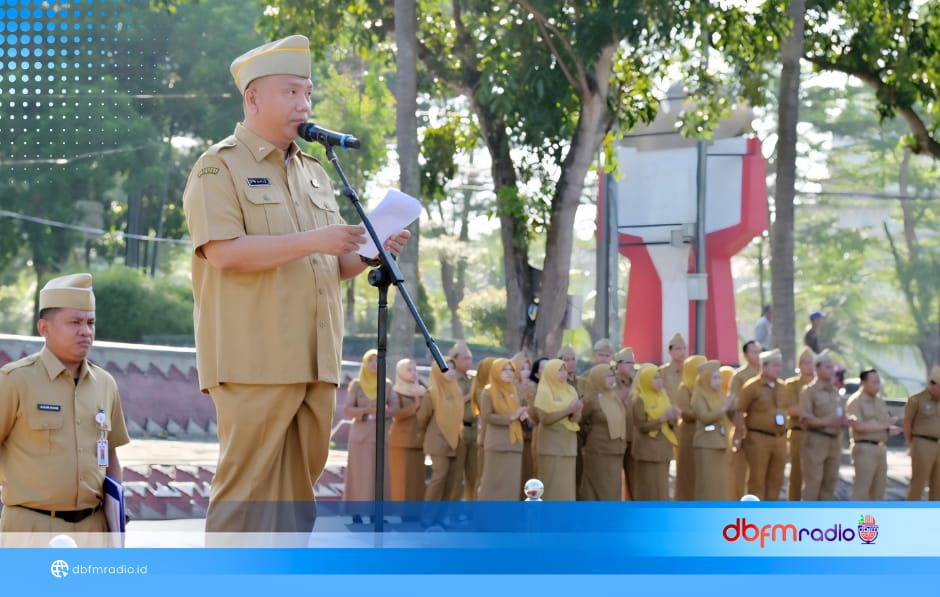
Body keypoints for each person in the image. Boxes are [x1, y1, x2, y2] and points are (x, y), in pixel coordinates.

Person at [181, 34, 410, 534]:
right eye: (291, 92)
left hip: (316, 362)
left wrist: (372, 249)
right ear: (253, 98)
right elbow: (223, 253)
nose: (304, 104)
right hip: (254, 361)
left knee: (296, 504)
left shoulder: (315, 172)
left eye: (307, 93)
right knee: (245, 497)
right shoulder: (218, 167)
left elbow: (329, 263)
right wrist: (316, 239)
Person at [0, 273, 130, 544]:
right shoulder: (14, 381)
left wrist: (116, 523)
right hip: (30, 531)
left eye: (90, 322)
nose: (86, 331)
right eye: (74, 322)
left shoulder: (105, 384)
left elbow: (111, 458)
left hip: (93, 531)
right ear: (44, 328)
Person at [343, 349, 392, 516]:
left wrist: (381, 411)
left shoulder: (386, 384)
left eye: (377, 361)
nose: (374, 364)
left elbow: (395, 408)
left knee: (379, 474)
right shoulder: (356, 385)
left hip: (380, 434)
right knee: (359, 474)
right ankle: (355, 513)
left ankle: (376, 513)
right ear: (365, 363)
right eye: (370, 361)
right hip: (360, 435)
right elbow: (348, 409)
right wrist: (365, 410)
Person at [733, 348, 787, 501]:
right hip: (758, 438)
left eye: (779, 366)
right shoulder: (752, 386)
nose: (778, 369)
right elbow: (739, 411)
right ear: (764, 366)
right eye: (775, 366)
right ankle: (754, 515)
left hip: (780, 438)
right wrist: (739, 435)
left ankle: (771, 515)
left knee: (776, 479)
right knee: (757, 479)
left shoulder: (783, 387)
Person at [798, 349, 848, 501]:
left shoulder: (835, 392)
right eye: (827, 367)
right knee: (813, 484)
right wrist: (830, 422)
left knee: (830, 484)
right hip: (816, 441)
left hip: (834, 441)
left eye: (832, 367)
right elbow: (805, 419)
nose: (831, 370)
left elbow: (840, 415)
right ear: (817, 368)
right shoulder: (809, 391)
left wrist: (846, 421)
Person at [477, 359, 529, 500]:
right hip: (497, 444)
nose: (508, 373)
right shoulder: (488, 391)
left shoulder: (514, 391)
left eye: (511, 370)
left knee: (511, 485)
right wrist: (511, 417)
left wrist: (522, 415)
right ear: (495, 371)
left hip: (515, 444)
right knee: (492, 483)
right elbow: (487, 416)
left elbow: (516, 414)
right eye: (504, 369)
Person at [846, 369, 900, 501]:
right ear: (863, 382)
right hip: (864, 448)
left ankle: (875, 520)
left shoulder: (879, 401)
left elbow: (883, 423)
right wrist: (884, 425)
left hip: (881, 448)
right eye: (874, 382)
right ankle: (856, 520)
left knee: (879, 492)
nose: (878, 385)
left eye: (878, 382)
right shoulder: (855, 401)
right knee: (861, 490)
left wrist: (889, 429)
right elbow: (857, 425)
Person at [533, 359, 583, 501]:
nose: (563, 373)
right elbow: (545, 419)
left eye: (565, 370)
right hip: (551, 447)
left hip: (568, 446)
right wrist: (568, 409)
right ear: (550, 372)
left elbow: (574, 420)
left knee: (566, 489)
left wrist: (577, 411)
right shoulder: (544, 391)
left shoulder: (571, 390)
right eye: (559, 370)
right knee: (551, 488)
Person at [578, 364, 628, 501]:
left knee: (613, 489)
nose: (611, 379)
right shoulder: (591, 400)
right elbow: (579, 421)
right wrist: (588, 433)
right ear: (598, 378)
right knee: (598, 489)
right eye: (607, 376)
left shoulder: (615, 397)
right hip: (598, 452)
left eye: (612, 375)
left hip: (616, 451)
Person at [417, 360, 464, 502]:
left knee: (451, 480)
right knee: (439, 478)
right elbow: (422, 418)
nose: (450, 371)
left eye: (453, 368)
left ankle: (441, 517)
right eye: (446, 368)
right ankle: (428, 518)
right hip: (438, 441)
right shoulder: (432, 393)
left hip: (455, 441)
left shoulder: (456, 391)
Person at [632, 364, 681, 501]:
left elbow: (670, 423)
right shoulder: (640, 399)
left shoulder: (664, 396)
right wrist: (662, 418)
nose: (659, 381)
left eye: (660, 377)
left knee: (662, 489)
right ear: (646, 380)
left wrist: (673, 417)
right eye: (655, 378)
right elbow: (641, 426)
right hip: (647, 450)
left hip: (663, 449)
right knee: (648, 488)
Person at [691, 360, 734, 500]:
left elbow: (727, 417)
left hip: (721, 443)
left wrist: (732, 408)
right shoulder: (699, 396)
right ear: (705, 379)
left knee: (720, 484)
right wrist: (723, 409)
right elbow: (704, 417)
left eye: (719, 377)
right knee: (708, 485)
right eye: (714, 378)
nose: (719, 381)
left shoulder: (720, 394)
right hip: (706, 445)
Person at [388, 358, 427, 503]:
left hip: (419, 439)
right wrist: (414, 407)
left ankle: (415, 511)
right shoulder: (396, 391)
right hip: (401, 440)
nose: (413, 373)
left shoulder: (422, 390)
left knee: (417, 477)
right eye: (409, 370)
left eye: (414, 369)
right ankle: (401, 512)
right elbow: (396, 414)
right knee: (402, 478)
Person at [727, 340, 761, 500]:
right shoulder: (739, 377)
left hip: (761, 435)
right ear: (746, 355)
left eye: (760, 351)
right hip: (743, 432)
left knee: (758, 478)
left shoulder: (767, 377)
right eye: (754, 352)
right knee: (739, 478)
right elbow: (733, 406)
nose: (758, 355)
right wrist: (739, 432)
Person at [782, 347, 815, 501]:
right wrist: (817, 413)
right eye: (805, 363)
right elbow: (792, 409)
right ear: (799, 365)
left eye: (812, 363)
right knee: (797, 474)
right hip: (798, 433)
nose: (809, 366)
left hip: (817, 435)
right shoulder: (791, 385)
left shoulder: (821, 385)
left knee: (816, 476)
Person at [903, 365, 940, 500]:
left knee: (938, 486)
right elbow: (907, 423)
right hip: (922, 443)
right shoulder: (916, 400)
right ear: (932, 384)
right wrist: (913, 444)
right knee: (918, 483)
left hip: (938, 445)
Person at [447, 341, 478, 501]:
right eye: (465, 358)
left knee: (475, 474)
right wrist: (469, 397)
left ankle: (473, 509)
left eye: (470, 358)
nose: (469, 361)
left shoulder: (474, 379)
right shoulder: (450, 380)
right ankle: (453, 512)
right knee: (456, 475)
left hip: (474, 430)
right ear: (455, 360)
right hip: (458, 430)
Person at [674, 354, 706, 501]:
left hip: (703, 436)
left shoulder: (706, 388)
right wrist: (705, 413)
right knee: (688, 474)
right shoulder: (684, 389)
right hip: (689, 435)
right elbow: (685, 412)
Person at [612, 347, 637, 500]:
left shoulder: (637, 382)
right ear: (619, 365)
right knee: (614, 479)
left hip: (633, 436)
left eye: (633, 363)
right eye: (628, 363)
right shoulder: (612, 381)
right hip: (617, 437)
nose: (632, 366)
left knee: (634, 479)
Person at [660, 332, 688, 403]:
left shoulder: (689, 370)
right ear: (670, 351)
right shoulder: (663, 371)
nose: (682, 352)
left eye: (684, 348)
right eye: (678, 349)